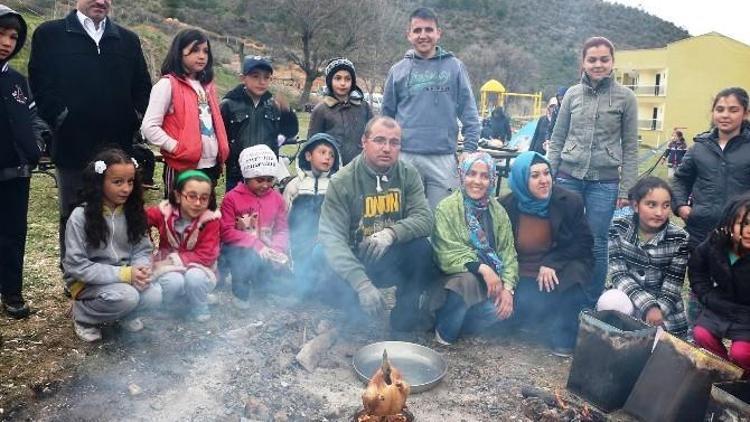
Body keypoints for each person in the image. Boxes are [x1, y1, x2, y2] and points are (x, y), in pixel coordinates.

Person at [28, 0, 152, 258]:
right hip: (72, 143)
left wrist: (133, 119)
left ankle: (111, 264)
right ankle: (74, 271)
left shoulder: (127, 40)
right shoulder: (50, 34)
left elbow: (142, 87)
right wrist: (62, 118)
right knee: (73, 211)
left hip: (117, 147)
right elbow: (40, 84)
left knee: (117, 209)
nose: (101, 1)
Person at [317, 116, 435, 331]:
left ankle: (405, 314)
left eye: (394, 142)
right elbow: (332, 239)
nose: (387, 148)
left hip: (390, 258)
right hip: (356, 258)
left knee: (422, 249)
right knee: (321, 255)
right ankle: (350, 307)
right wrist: (362, 285)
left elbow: (425, 219)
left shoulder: (408, 174)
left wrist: (391, 233)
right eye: (379, 140)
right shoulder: (342, 181)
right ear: (364, 141)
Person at [547, 36, 638, 304]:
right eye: (592, 59)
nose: (598, 65)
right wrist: (549, 175)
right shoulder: (572, 95)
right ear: (583, 63)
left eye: (603, 59)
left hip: (604, 183)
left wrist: (626, 188)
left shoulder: (626, 98)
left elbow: (631, 146)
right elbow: (558, 137)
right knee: (561, 234)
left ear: (612, 62)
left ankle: (589, 302)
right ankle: (558, 298)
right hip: (568, 176)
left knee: (598, 242)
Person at [382, 7, 481, 210]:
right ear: (409, 35)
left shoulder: (455, 67)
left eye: (429, 29)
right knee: (402, 218)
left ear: (438, 33)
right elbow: (386, 119)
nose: (423, 35)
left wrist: (469, 150)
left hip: (443, 158)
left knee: (443, 220)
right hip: (405, 157)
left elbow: (470, 114)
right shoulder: (398, 71)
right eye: (417, 30)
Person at [63, 149, 160, 342]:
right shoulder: (80, 217)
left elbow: (142, 249)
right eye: (118, 182)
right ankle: (82, 316)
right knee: (127, 297)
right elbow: (76, 266)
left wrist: (141, 270)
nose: (126, 189)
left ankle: (124, 316)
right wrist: (124, 274)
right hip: (87, 283)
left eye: (130, 182)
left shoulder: (133, 212)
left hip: (124, 276)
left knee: (154, 294)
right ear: (99, 183)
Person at [501, 151, 592, 356]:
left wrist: (552, 262)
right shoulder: (507, 206)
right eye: (534, 176)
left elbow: (585, 242)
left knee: (574, 279)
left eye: (547, 173)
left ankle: (565, 337)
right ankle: (529, 321)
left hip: (559, 267)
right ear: (521, 180)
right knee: (512, 312)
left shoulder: (569, 201)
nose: (544, 181)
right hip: (522, 271)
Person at [432, 152, 518, 345]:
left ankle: (463, 322)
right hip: (453, 280)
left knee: (510, 310)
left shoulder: (498, 212)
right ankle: (444, 331)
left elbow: (508, 253)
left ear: (492, 180)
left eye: (485, 176)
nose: (477, 181)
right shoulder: (447, 208)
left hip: (490, 284)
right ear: (462, 175)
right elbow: (446, 254)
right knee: (467, 282)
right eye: (472, 174)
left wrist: (508, 289)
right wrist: (483, 268)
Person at [0, 5, 49, 318]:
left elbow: (34, 119)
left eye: (13, 36)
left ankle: (12, 292)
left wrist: (38, 145)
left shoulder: (18, 81)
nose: (6, 41)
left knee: (13, 234)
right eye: (1, 33)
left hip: (17, 173)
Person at [597, 177, 689, 338]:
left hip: (664, 307)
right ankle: (619, 338)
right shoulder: (618, 227)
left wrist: (658, 310)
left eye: (665, 205)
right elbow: (619, 275)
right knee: (610, 301)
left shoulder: (679, 238)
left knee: (662, 354)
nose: (659, 212)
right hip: (629, 296)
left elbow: (674, 283)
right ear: (635, 205)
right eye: (651, 205)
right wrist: (648, 306)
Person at [141, 29, 229, 195]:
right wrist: (177, 148)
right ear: (179, 52)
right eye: (195, 50)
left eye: (205, 51)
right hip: (181, 167)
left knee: (205, 217)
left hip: (210, 166)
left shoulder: (207, 86)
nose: (202, 56)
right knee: (179, 217)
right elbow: (149, 126)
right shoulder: (167, 85)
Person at [672, 87, 750, 250]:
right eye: (720, 109)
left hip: (740, 234)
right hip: (700, 233)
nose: (725, 115)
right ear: (713, 113)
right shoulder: (699, 148)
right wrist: (680, 205)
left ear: (745, 113)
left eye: (733, 110)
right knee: (700, 274)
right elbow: (680, 179)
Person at [220, 145, 289, 309]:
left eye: (270, 179)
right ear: (247, 176)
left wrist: (278, 248)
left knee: (281, 281)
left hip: (267, 248)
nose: (265, 185)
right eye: (259, 180)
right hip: (239, 248)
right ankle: (240, 292)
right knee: (243, 258)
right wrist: (255, 244)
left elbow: (282, 229)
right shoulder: (232, 198)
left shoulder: (277, 199)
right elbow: (226, 231)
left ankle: (262, 285)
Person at [146, 170, 220, 322]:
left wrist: (170, 261)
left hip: (199, 266)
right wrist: (147, 248)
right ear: (178, 196)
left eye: (204, 198)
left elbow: (206, 255)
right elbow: (140, 220)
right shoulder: (164, 212)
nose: (198, 203)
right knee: (173, 281)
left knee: (195, 278)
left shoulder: (211, 220)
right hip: (169, 267)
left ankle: (199, 305)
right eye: (192, 196)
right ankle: (170, 306)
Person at [690, 193, 750, 374]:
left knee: (741, 353)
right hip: (722, 305)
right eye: (743, 224)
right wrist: (707, 295)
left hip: (748, 314)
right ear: (729, 224)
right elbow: (697, 270)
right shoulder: (715, 243)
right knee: (701, 333)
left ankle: (745, 379)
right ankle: (726, 372)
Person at [221, 55, 298, 191]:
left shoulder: (274, 105)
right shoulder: (229, 105)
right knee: (237, 209)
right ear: (243, 78)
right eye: (255, 76)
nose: (261, 81)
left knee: (265, 210)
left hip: (266, 175)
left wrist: (287, 113)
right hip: (237, 174)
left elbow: (290, 132)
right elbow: (220, 138)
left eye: (266, 77)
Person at [283, 133, 340, 287]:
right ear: (308, 156)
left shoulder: (336, 186)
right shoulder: (295, 185)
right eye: (322, 152)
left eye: (332, 155)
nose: (327, 158)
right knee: (302, 286)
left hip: (324, 241)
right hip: (299, 242)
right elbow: (284, 218)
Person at [308, 57, 373, 166]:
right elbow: (312, 143)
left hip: (359, 167)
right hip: (331, 168)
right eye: (337, 78)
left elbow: (372, 135)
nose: (343, 83)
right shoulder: (321, 110)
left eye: (347, 79)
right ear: (330, 81)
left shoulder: (363, 107)